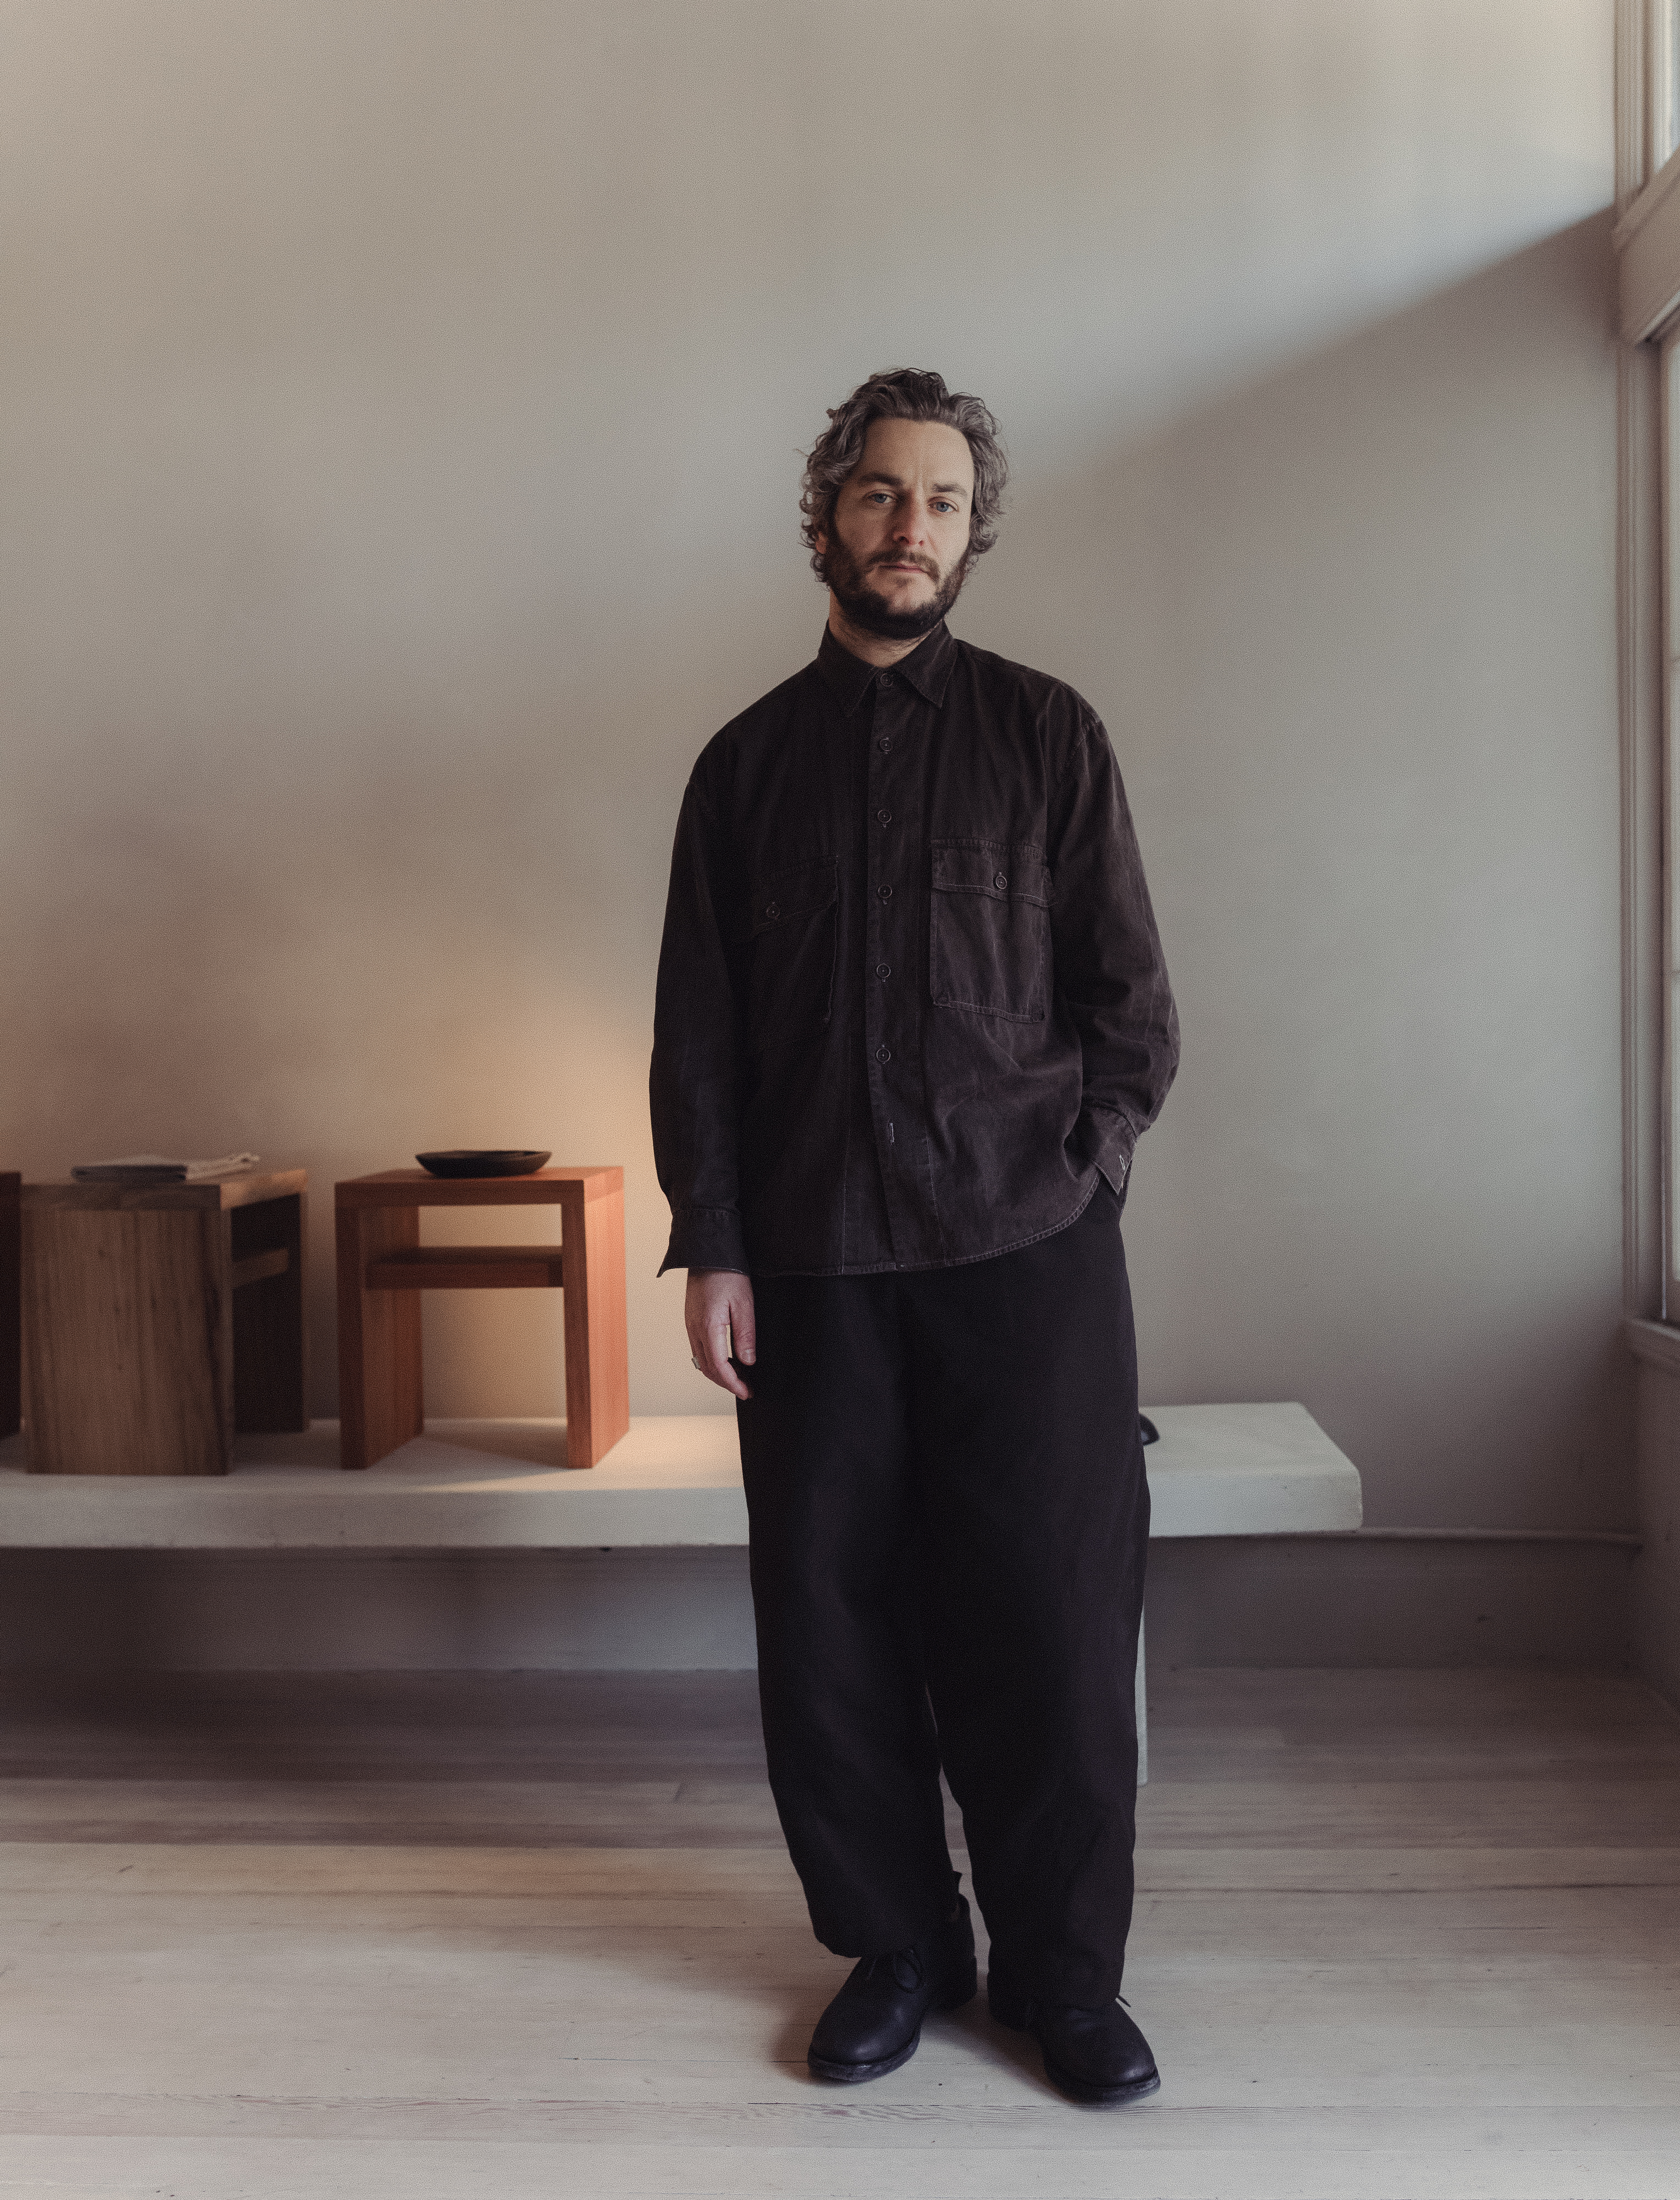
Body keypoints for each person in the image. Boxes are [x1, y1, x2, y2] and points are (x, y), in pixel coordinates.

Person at [649, 368, 1177, 2105]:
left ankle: (1061, 1974)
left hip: (1028, 1257)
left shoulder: (1048, 737)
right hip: (809, 1269)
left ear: (972, 531)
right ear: (826, 518)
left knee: (1050, 1615)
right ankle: (898, 1946)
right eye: (882, 496)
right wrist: (714, 1244)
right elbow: (699, 1038)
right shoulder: (742, 772)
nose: (911, 528)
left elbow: (1131, 1008)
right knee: (829, 1622)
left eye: (943, 502)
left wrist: (1085, 1168)